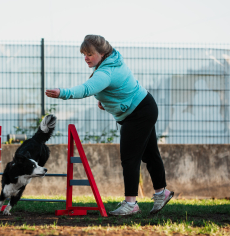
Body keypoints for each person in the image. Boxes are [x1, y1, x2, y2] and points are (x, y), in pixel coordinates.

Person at [45, 35, 174, 216]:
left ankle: (131, 203)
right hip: (144, 106)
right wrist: (108, 103)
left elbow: (87, 89)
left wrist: (62, 93)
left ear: (102, 53)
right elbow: (119, 89)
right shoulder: (113, 61)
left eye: (90, 54)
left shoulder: (105, 72)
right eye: (84, 54)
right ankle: (162, 193)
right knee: (150, 154)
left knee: (130, 158)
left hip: (138, 113)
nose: (86, 58)